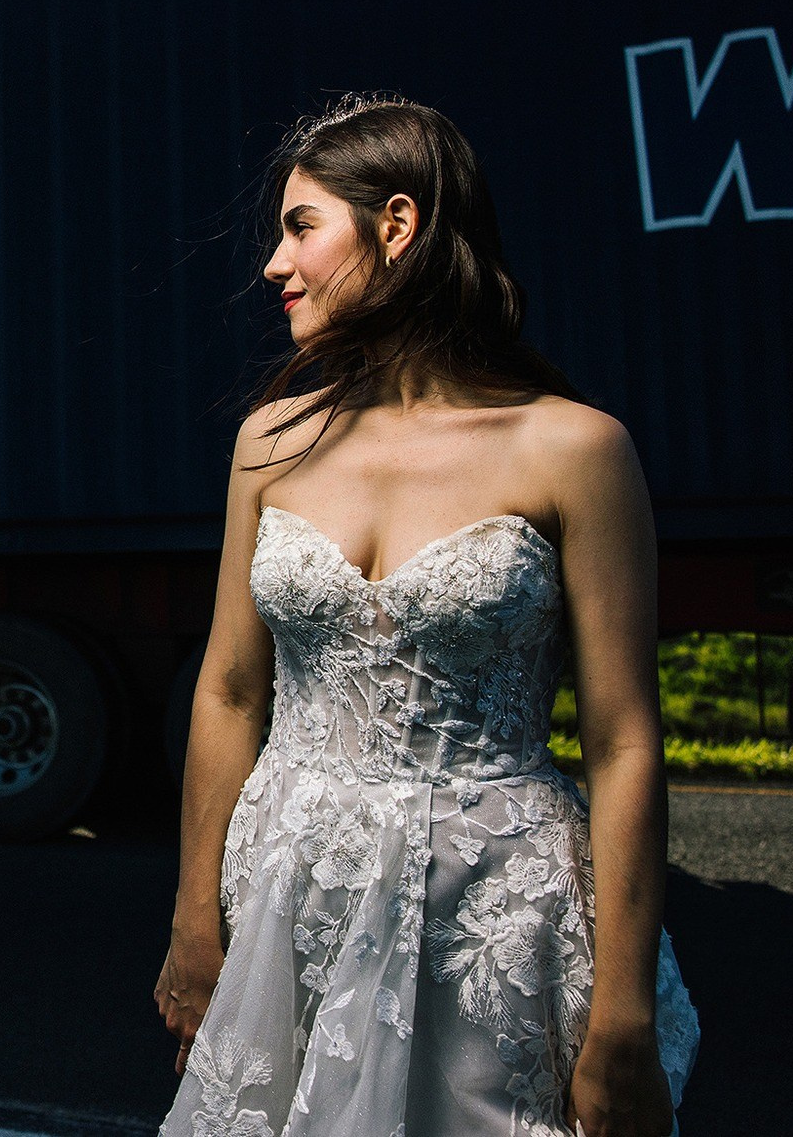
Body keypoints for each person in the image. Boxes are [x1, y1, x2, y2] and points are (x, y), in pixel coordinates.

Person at [153, 96, 698, 1137]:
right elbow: (227, 691)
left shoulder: (573, 449)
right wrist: (191, 919)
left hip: (491, 912)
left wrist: (620, 1011)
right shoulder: (269, 442)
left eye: (299, 225)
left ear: (395, 225)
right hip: (288, 897)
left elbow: (623, 737)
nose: (273, 263)